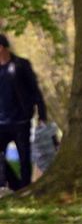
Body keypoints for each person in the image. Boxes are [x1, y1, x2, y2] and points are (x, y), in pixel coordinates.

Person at [0, 33, 48, 191]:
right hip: (1, 123)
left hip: (21, 121)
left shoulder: (21, 65)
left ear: (2, 48)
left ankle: (25, 188)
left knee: (24, 157)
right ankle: (10, 186)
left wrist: (42, 115)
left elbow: (35, 91)